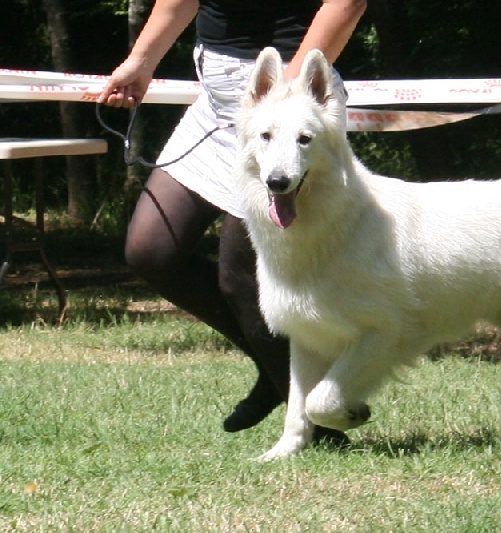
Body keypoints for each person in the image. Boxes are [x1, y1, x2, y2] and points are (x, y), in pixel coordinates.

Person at [97, 0, 367, 439]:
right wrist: (140, 61)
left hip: (290, 97)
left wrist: (287, 94)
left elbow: (348, 4)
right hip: (223, 102)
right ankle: (273, 370)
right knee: (151, 250)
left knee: (240, 278)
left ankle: (319, 430)